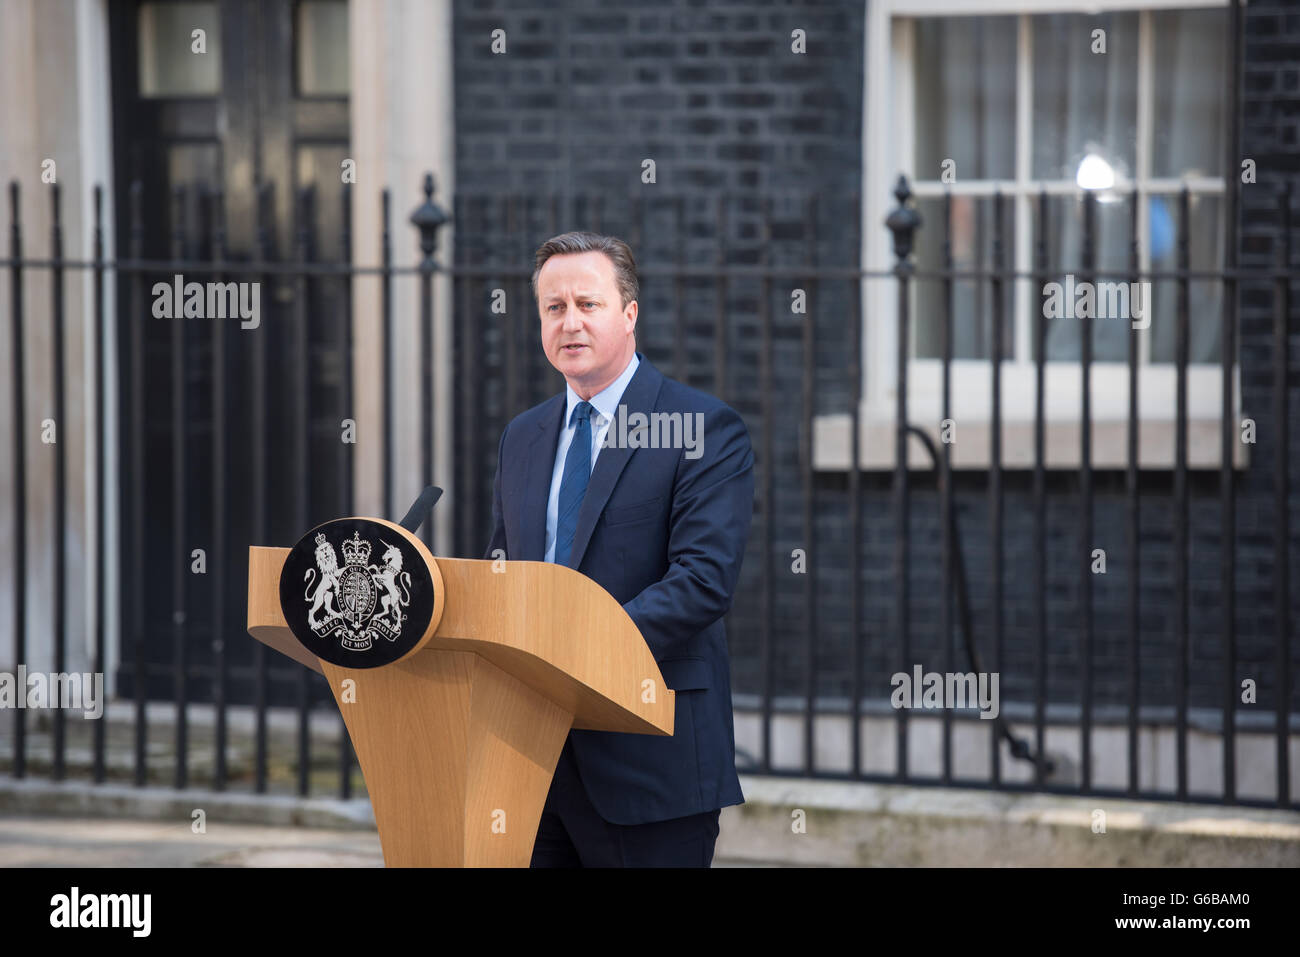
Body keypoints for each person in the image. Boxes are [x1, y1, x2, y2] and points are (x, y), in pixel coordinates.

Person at [485, 231, 755, 867]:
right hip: (534, 763)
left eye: (589, 304)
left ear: (629, 314)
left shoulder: (700, 427)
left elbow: (703, 581)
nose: (570, 323)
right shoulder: (522, 437)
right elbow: (506, 571)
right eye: (554, 308)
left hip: (649, 759)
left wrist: (569, 645)